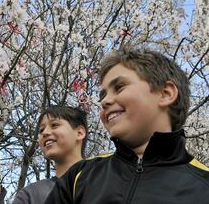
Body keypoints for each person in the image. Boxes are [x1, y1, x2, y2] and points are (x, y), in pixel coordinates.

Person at [44, 48, 209, 204]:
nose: (105, 101)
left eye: (119, 87)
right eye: (103, 95)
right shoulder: (80, 175)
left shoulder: (203, 184)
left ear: (165, 93)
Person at [0, 105, 88, 204]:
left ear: (80, 132)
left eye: (55, 125)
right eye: (41, 130)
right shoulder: (33, 195)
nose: (45, 133)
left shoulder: (103, 175)